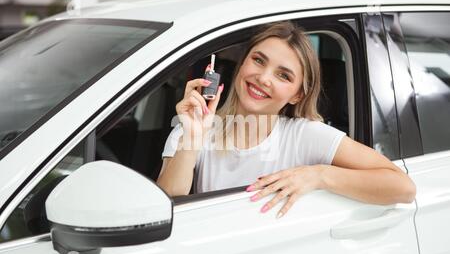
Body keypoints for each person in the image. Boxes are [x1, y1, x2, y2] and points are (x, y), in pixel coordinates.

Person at [157, 21, 416, 218]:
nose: (263, 78)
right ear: (242, 63)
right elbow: (168, 201)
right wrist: (192, 136)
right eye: (258, 60)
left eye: (284, 76)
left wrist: (319, 176)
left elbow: (403, 187)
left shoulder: (304, 135)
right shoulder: (193, 126)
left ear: (297, 95)